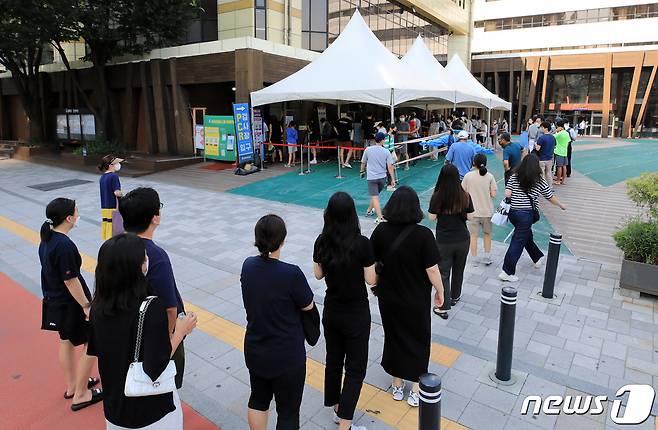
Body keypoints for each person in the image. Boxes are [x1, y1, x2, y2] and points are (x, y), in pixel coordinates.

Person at [88, 234, 197, 429]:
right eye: (144, 257)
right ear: (136, 267)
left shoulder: (98, 307)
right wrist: (180, 331)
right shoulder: (150, 307)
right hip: (151, 412)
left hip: (114, 410)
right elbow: (155, 366)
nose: (147, 260)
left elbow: (98, 350)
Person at [370, 187, 444, 407]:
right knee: (418, 339)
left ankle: (397, 383)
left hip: (389, 297)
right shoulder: (423, 235)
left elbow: (372, 263)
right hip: (416, 299)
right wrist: (440, 291)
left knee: (394, 337)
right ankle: (416, 387)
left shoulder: (381, 232)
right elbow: (432, 270)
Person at [241, 214, 315, 430]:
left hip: (255, 349)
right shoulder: (291, 274)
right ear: (282, 240)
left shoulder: (248, 266)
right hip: (287, 356)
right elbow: (308, 305)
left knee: (258, 399)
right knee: (288, 411)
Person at [313, 192, 376, 430]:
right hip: (357, 312)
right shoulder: (362, 243)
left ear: (328, 214)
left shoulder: (322, 241)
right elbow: (371, 280)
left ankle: (337, 406)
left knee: (333, 359)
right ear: (352, 215)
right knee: (356, 368)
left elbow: (318, 274)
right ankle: (346, 425)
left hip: (332, 310)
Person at [119, 187, 187, 390]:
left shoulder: (115, 248)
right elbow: (169, 308)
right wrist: (170, 340)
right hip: (155, 336)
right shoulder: (155, 256)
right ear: (155, 218)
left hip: (127, 332)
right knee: (165, 386)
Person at [39, 198, 102, 411]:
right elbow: (70, 280)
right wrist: (86, 305)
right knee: (92, 341)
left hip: (54, 300)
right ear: (68, 218)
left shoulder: (47, 239)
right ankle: (82, 393)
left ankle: (73, 386)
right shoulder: (64, 244)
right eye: (76, 212)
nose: (78, 215)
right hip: (70, 302)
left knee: (66, 341)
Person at [500, 154, 566, 282]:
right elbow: (549, 196)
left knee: (525, 236)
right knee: (518, 242)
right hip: (526, 214)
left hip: (513, 213)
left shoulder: (515, 176)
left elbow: (507, 193)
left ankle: (537, 257)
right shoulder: (539, 180)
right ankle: (507, 272)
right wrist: (561, 205)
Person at [428, 165, 474, 320]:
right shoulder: (465, 195)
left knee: (443, 272)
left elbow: (431, 218)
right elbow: (471, 217)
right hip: (462, 239)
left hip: (444, 240)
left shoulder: (437, 196)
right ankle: (455, 296)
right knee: (459, 269)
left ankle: (443, 304)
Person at [461, 154, 497, 265]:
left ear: (473, 163)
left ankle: (474, 258)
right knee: (487, 234)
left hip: (472, 212)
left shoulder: (468, 176)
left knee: (473, 236)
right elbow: (493, 194)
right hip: (487, 211)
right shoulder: (490, 176)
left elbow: (463, 192)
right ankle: (487, 257)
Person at [360, 132, 396, 223]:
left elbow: (363, 162)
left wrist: (362, 171)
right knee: (375, 195)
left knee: (374, 196)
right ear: (382, 140)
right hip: (382, 178)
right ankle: (370, 211)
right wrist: (393, 179)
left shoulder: (368, 149)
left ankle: (379, 216)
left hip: (371, 178)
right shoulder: (386, 151)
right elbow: (390, 166)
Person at [98, 155, 124, 240]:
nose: (118, 164)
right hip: (113, 208)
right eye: (116, 163)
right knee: (115, 231)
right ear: (110, 165)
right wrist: (123, 194)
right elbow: (117, 192)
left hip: (105, 207)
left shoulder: (102, 177)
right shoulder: (113, 176)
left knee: (107, 229)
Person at [534, 121, 556, 187]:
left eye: (542, 127)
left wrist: (535, 144)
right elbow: (554, 146)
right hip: (550, 158)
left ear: (545, 128)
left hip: (542, 159)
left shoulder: (541, 138)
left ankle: (543, 187)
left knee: (542, 174)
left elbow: (537, 149)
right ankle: (550, 187)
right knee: (548, 173)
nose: (541, 129)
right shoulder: (553, 137)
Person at [554, 119, 570, 186]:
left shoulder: (559, 134)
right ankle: (563, 180)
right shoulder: (566, 133)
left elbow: (551, 136)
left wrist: (556, 131)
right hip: (565, 151)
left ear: (557, 126)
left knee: (559, 166)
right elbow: (569, 142)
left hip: (559, 151)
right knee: (564, 166)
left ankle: (558, 181)